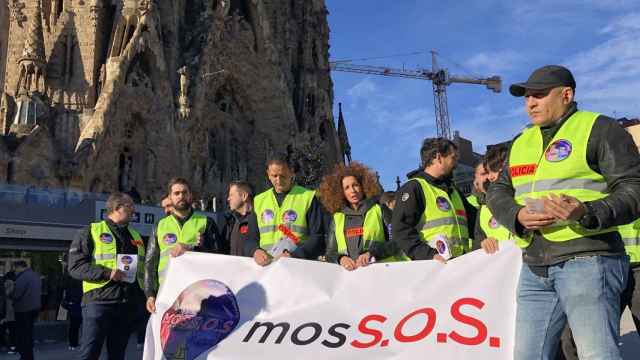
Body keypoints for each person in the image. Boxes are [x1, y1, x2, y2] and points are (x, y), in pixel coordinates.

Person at [486, 65, 640, 360]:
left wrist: (587, 211)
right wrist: (516, 216)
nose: (530, 103)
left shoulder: (600, 128)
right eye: (527, 96)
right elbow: (497, 191)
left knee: (597, 354)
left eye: (539, 95)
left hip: (589, 259)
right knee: (527, 356)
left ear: (566, 95)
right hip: (535, 266)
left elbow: (634, 187)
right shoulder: (521, 141)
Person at [68, 192, 146, 360]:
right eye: (130, 206)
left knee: (117, 355)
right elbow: (75, 267)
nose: (134, 210)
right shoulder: (90, 231)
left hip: (126, 305)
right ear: (117, 208)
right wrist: (107, 273)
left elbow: (141, 271)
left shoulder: (136, 236)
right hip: (99, 302)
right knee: (89, 354)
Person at [144, 178, 224, 314]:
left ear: (190, 195)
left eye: (184, 192)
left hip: (197, 292)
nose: (181, 196)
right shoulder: (160, 225)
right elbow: (150, 262)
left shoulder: (206, 222)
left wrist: (197, 247)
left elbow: (219, 257)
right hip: (166, 291)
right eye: (176, 193)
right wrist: (150, 294)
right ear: (170, 197)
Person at [392, 138, 477, 261]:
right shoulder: (414, 188)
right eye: (453, 158)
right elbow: (400, 230)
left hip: (460, 266)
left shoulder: (453, 190)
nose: (456, 164)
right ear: (438, 157)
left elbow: (475, 223)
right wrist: (428, 255)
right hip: (432, 268)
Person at [320, 162, 406, 270]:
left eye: (355, 185)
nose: (352, 191)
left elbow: (398, 241)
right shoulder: (337, 218)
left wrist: (372, 253)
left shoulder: (379, 210)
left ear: (362, 186)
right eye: (347, 188)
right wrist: (340, 258)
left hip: (381, 273)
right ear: (341, 192)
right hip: (350, 278)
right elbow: (330, 253)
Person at [247, 158, 325, 266]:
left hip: (297, 265)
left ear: (292, 172)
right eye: (274, 176)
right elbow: (250, 239)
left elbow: (317, 237)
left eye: (283, 175)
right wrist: (255, 251)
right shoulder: (259, 201)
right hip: (265, 268)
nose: (278, 180)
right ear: (268, 174)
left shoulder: (308, 197)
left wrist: (294, 255)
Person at [472, 144, 513, 253]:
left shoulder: (521, 195)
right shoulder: (482, 210)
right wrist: (483, 243)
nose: (489, 177)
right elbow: (477, 246)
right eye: (486, 173)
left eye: (491, 171)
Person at [8, 261, 41, 360]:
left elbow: (17, 294)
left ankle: (26, 357)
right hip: (34, 308)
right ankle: (28, 356)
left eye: (15, 269)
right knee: (29, 334)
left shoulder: (22, 277)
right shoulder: (35, 275)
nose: (15, 271)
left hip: (23, 309)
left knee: (23, 335)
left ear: (19, 267)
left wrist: (10, 294)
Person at [222, 180, 257, 257]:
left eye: (231, 195)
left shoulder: (259, 220)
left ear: (244, 196)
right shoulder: (231, 222)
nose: (228, 199)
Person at [61, 270, 83, 350]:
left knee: (74, 325)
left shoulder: (69, 277)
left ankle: (73, 343)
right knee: (80, 324)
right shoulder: (81, 277)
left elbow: (64, 287)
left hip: (72, 302)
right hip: (81, 301)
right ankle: (78, 342)